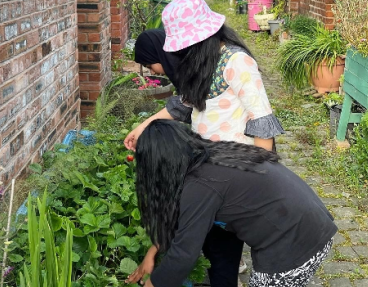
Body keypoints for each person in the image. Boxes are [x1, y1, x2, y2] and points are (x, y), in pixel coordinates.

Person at [125, 120, 338, 287]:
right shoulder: (207, 156)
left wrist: (153, 284)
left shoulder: (201, 184)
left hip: (296, 241)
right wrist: (152, 253)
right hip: (311, 222)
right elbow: (183, 222)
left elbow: (183, 255)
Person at [125, 0, 285, 153]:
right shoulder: (204, 63)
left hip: (238, 164)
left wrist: (262, 172)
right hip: (208, 158)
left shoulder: (237, 61)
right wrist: (143, 127)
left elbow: (261, 118)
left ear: (199, 42)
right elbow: (184, 104)